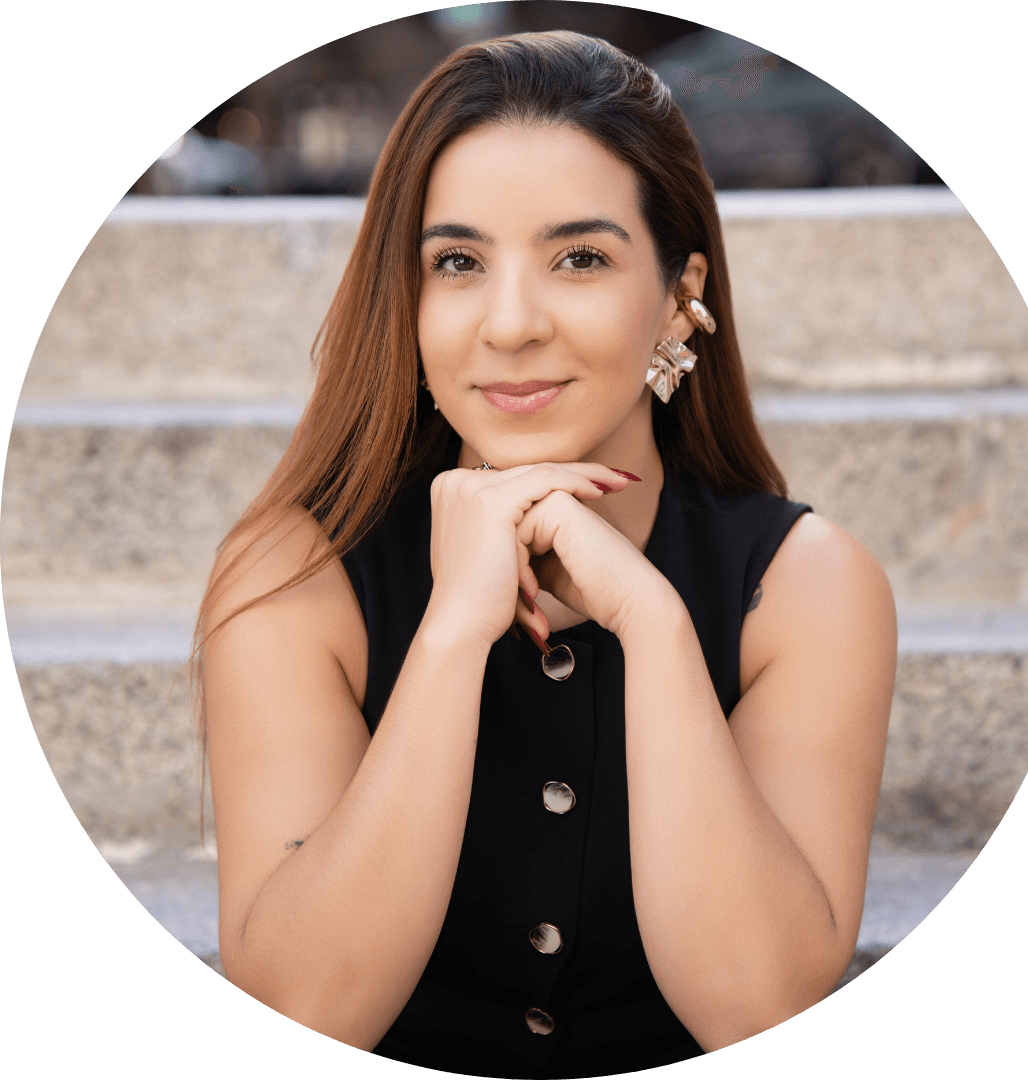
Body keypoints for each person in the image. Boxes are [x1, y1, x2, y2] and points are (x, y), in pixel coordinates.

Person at [198, 30, 896, 1079]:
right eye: (458, 262)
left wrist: (653, 626)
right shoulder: (292, 579)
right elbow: (302, 1011)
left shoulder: (806, 586)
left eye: (580, 258)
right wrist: (451, 635)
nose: (512, 323)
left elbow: (760, 1013)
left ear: (679, 295)